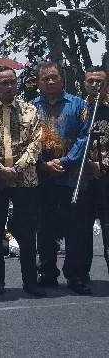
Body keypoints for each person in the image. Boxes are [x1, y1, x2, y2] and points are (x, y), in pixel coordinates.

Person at [0, 66, 45, 297]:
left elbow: (36, 143)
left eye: (13, 82)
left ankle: (30, 281)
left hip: (24, 179)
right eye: (4, 83)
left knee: (27, 233)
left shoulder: (29, 110)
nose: (9, 87)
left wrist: (16, 168)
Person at [32, 62, 92, 294]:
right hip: (43, 177)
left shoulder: (79, 105)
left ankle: (76, 275)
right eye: (45, 78)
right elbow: (27, 141)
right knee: (45, 228)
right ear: (38, 82)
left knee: (74, 229)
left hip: (72, 178)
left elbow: (84, 137)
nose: (50, 82)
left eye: (54, 77)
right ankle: (47, 272)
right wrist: (43, 164)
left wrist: (65, 161)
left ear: (62, 79)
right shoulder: (31, 107)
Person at [79, 67, 109, 276]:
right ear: (84, 83)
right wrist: (89, 164)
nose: (95, 85)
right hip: (83, 176)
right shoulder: (77, 109)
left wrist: (105, 162)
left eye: (100, 81)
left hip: (107, 175)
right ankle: (81, 273)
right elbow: (69, 140)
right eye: (91, 81)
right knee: (82, 226)